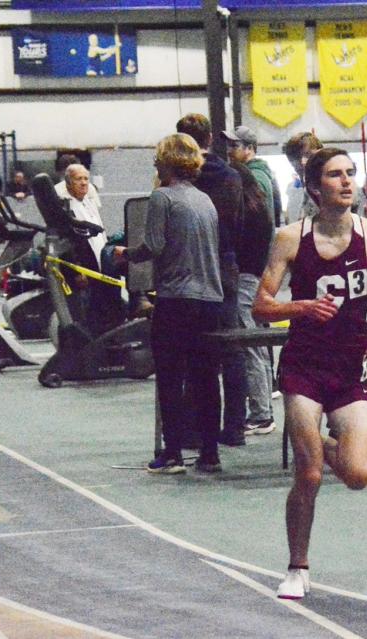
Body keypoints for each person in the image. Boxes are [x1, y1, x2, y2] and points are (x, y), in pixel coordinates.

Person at [252, 147, 367, 600]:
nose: (347, 181)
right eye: (335, 175)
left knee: (357, 474)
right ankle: (297, 566)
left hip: (350, 370)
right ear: (314, 187)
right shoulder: (291, 238)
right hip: (304, 368)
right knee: (309, 475)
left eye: (351, 173)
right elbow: (261, 308)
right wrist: (303, 307)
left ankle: (313, 439)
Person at [114, 133, 223, 475]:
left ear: (168, 162)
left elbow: (154, 245)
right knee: (206, 379)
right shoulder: (205, 200)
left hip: (177, 300)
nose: (155, 165)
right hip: (210, 300)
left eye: (157, 160)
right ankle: (209, 452)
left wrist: (125, 255)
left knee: (171, 378)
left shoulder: (162, 197)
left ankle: (172, 452)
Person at [176, 113, 248, 447]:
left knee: (195, 351)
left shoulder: (179, 183)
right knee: (232, 349)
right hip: (226, 266)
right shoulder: (232, 176)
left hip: (191, 272)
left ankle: (193, 431)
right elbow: (239, 223)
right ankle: (234, 427)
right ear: (208, 140)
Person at [225, 125, 279, 437]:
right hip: (257, 270)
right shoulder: (256, 176)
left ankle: (260, 413)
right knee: (256, 337)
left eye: (234, 146)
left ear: (249, 148)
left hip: (250, 271)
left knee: (249, 342)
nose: (230, 152)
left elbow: (258, 227)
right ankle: (262, 403)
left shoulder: (253, 178)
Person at [283, 131, 324, 220]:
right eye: (296, 157)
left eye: (308, 154)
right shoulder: (295, 190)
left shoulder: (332, 187)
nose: (302, 161)